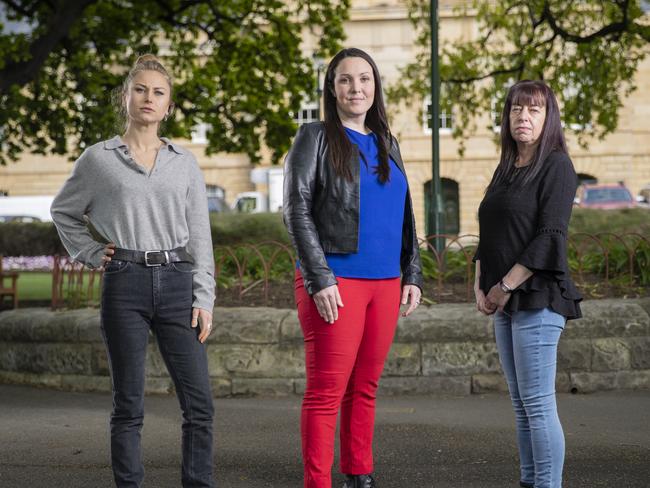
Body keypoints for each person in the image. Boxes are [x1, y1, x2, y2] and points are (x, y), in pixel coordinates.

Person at [51, 54, 216, 488]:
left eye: (158, 92)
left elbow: (200, 235)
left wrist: (205, 297)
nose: (148, 97)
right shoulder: (98, 159)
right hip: (124, 282)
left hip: (179, 281)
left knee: (199, 404)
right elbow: (63, 212)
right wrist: (88, 251)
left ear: (169, 106)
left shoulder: (184, 163)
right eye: (140, 89)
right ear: (125, 97)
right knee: (129, 405)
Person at [283, 47, 423, 488]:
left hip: (385, 284)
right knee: (327, 392)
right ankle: (317, 481)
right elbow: (296, 208)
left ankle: (359, 474)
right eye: (345, 79)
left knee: (364, 387)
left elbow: (404, 213)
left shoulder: (388, 142)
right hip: (336, 282)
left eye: (364, 79)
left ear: (375, 86)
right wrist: (318, 277)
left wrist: (412, 272)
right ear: (332, 88)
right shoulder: (315, 136)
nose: (356, 88)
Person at [473, 80, 582, 488]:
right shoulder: (505, 168)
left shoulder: (556, 165)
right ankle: (530, 481)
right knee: (521, 405)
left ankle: (547, 484)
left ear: (548, 117)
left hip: (538, 298)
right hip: (503, 300)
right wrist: (481, 285)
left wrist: (506, 285)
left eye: (534, 110)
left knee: (537, 404)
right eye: (517, 109)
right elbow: (490, 234)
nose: (523, 117)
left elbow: (551, 234)